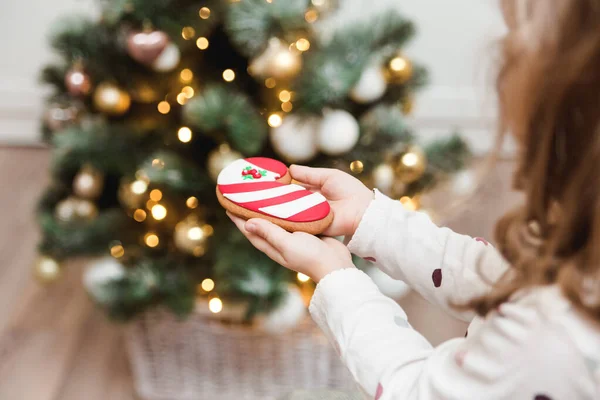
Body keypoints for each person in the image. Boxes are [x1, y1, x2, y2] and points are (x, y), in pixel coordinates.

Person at [229, 1, 600, 398]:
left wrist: (337, 280)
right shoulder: (580, 254)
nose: (498, 54)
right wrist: (373, 223)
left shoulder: (543, 337)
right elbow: (497, 277)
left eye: (511, 37)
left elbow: (413, 390)